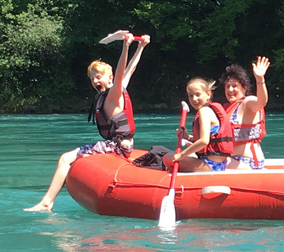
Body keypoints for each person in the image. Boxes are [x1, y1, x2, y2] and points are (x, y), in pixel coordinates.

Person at [25, 32, 150, 212]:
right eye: (92, 78)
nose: (94, 80)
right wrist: (142, 47)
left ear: (110, 78)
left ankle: (46, 203)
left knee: (65, 159)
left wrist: (126, 45)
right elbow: (131, 69)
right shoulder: (117, 91)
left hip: (116, 147)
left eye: (98, 76)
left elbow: (122, 71)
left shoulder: (113, 95)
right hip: (124, 145)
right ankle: (46, 202)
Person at [163, 78, 235, 172]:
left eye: (198, 94)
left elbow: (204, 141)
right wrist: (188, 137)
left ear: (208, 94)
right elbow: (209, 139)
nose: (194, 99)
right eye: (191, 96)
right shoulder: (209, 110)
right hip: (219, 164)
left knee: (167, 157)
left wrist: (182, 155)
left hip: (211, 165)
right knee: (184, 156)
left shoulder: (204, 111)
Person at [219, 57, 271, 170]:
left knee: (209, 162)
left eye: (234, 86)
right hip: (234, 160)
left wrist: (260, 79)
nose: (230, 90)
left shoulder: (247, 102)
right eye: (227, 86)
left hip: (247, 161)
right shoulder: (227, 108)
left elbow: (261, 102)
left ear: (244, 88)